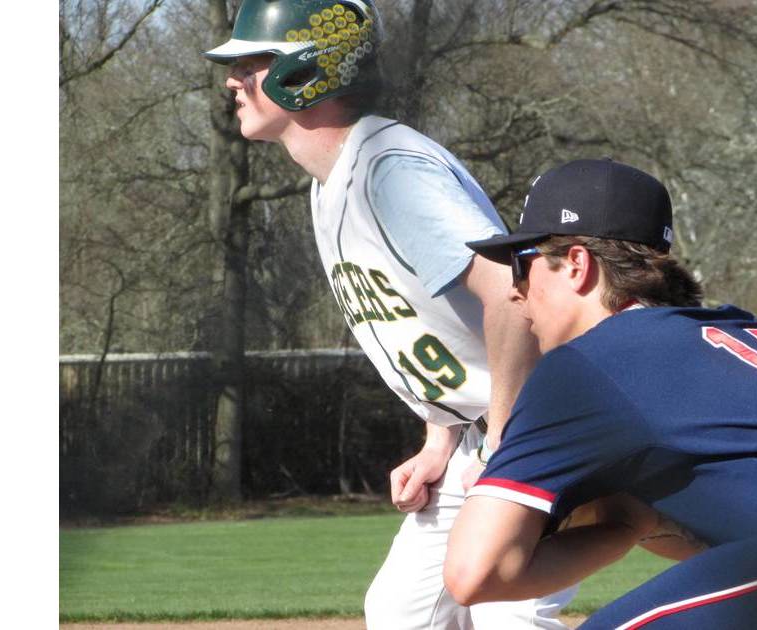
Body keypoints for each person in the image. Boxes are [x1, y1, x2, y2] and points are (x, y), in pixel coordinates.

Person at [203, 1, 575, 627]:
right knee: (403, 613)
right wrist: (440, 437)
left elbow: (517, 298)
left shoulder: (389, 173)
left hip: (536, 427)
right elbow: (446, 322)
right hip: (478, 436)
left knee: (509, 618)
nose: (233, 79)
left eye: (252, 61)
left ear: (305, 72)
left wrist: (508, 443)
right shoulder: (332, 181)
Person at [444, 159, 757, 628]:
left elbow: (475, 573)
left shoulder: (589, 363)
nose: (516, 291)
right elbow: (729, 535)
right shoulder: (729, 330)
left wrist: (626, 524)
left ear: (577, 265)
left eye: (523, 265)